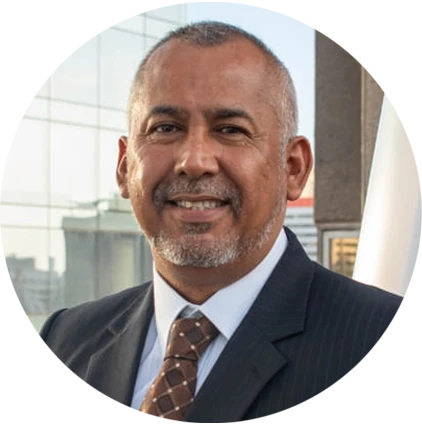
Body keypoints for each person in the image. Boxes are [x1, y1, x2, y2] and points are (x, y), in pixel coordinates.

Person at [39, 21, 404, 423]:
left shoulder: (390, 346)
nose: (194, 161)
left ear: (293, 168)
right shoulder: (64, 342)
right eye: (166, 128)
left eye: (230, 130)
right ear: (125, 167)